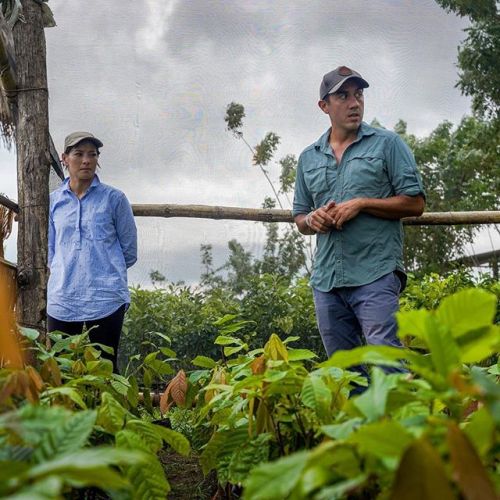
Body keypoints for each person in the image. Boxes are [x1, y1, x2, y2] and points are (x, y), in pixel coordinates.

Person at [293, 66, 425, 378]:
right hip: (327, 280)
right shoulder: (308, 157)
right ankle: (360, 427)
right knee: (345, 373)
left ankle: (398, 427)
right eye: (343, 96)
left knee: (387, 361)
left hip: (375, 273)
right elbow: (299, 217)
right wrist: (313, 219)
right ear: (324, 106)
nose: (355, 103)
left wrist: (362, 204)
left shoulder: (388, 145)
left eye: (359, 94)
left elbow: (416, 202)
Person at [47, 132, 137, 372]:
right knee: (62, 371)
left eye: (92, 154)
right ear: (65, 159)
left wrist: (103, 269)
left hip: (105, 297)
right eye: (78, 154)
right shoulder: (53, 202)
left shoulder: (114, 199)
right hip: (62, 298)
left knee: (106, 370)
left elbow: (129, 250)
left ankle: (109, 410)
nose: (86, 160)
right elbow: (50, 251)